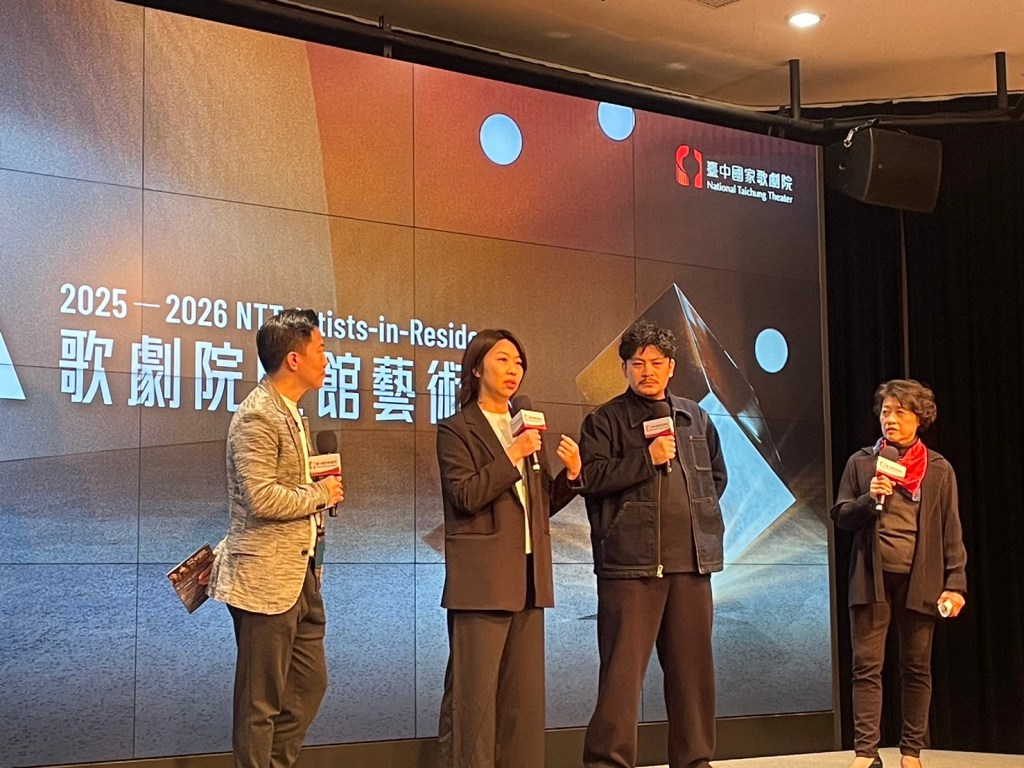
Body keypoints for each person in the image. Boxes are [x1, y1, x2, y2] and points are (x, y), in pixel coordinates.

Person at [579, 320, 727, 768]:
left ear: (672, 367)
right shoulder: (604, 420)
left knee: (692, 677)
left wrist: (696, 519)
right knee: (621, 678)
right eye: (638, 363)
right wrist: (646, 458)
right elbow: (590, 478)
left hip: (691, 566)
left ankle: (695, 761)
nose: (648, 371)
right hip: (631, 566)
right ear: (624, 368)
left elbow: (716, 478)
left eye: (656, 362)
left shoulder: (695, 417)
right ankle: (608, 762)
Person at [435, 328, 582, 768]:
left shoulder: (526, 424)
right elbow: (465, 496)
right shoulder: (456, 429)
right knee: (474, 703)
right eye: (502, 359)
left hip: (529, 580)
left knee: (523, 703)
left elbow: (540, 506)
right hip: (482, 583)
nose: (513, 369)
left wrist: (571, 477)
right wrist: (513, 453)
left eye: (518, 362)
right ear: (476, 368)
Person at [207, 309, 344, 768]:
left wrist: (319, 492)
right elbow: (261, 498)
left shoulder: (292, 413)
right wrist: (320, 493)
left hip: (300, 574)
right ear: (293, 358)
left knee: (309, 684)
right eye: (321, 350)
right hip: (264, 581)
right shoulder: (258, 416)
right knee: (260, 703)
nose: (327, 359)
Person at [831, 379, 967, 768]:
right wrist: (869, 498)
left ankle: (911, 752)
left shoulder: (938, 469)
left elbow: (951, 530)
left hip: (920, 581)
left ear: (919, 419)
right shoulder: (862, 463)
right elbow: (841, 516)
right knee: (866, 667)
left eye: (899, 412)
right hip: (870, 578)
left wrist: (955, 583)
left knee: (916, 667)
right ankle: (865, 752)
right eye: (885, 412)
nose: (889, 419)